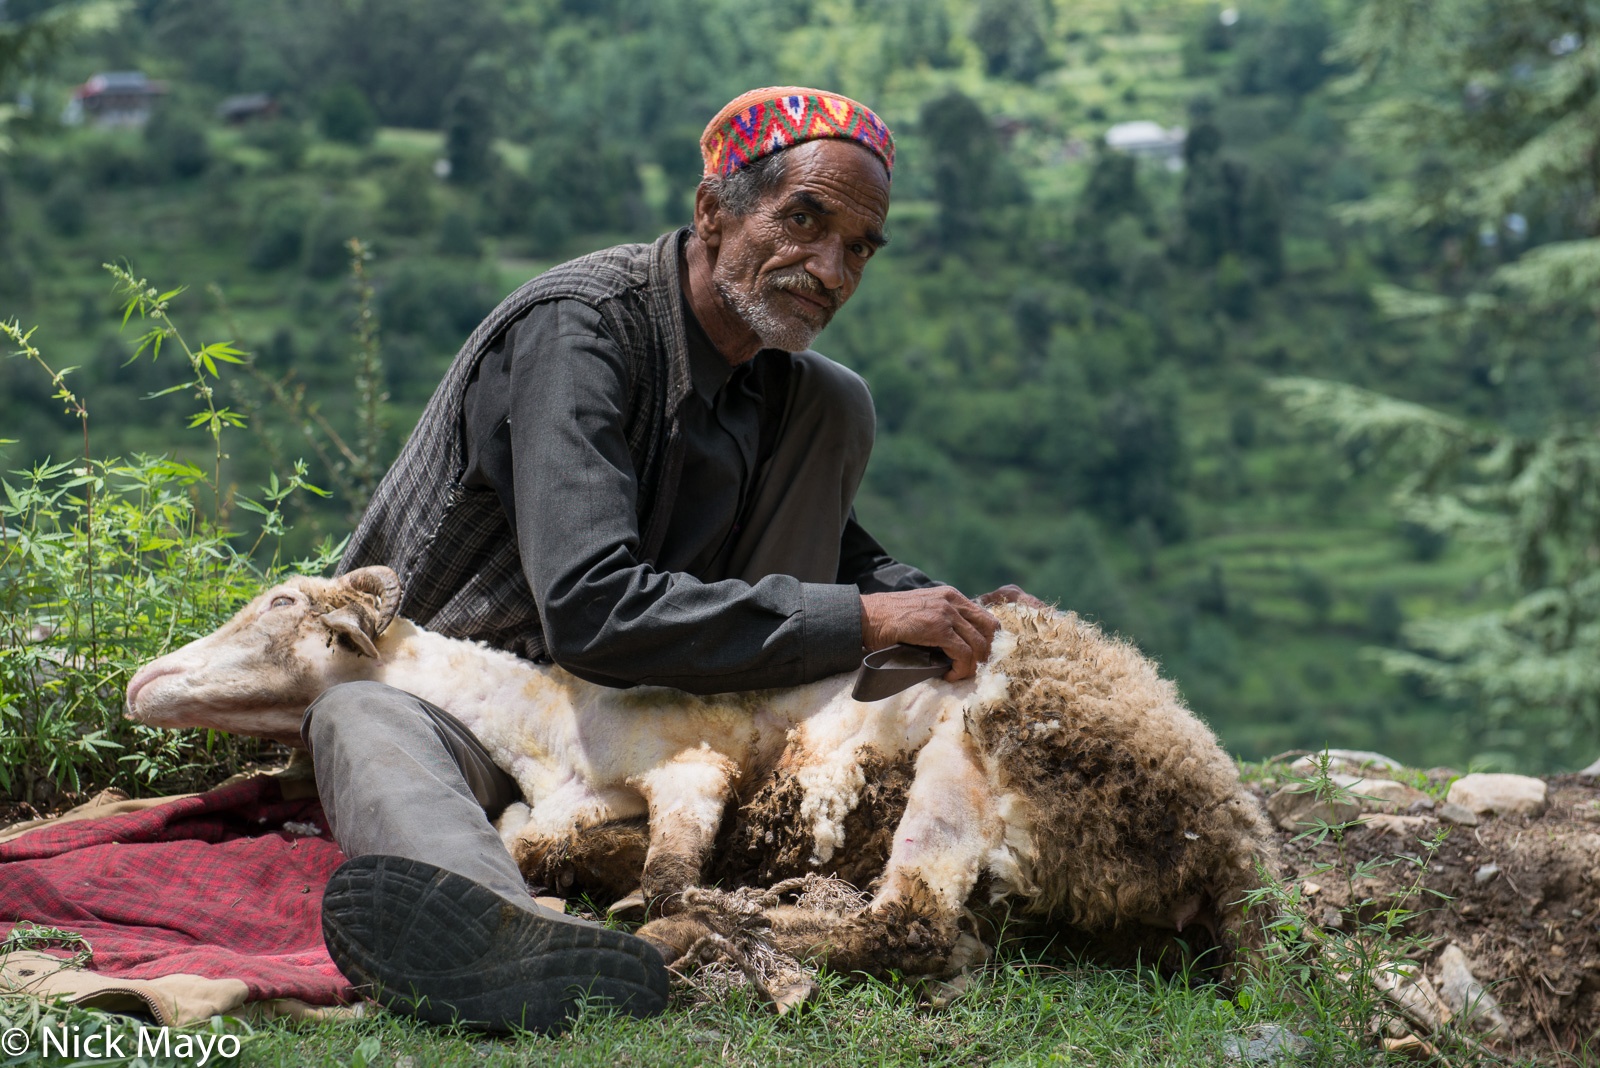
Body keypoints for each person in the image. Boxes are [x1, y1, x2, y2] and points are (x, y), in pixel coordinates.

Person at [309, 86, 1040, 1032]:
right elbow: (591, 610)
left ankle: (719, 822)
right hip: (483, 703)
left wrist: (937, 605)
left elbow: (844, 563)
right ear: (713, 212)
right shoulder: (582, 331)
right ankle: (493, 935)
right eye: (805, 221)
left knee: (838, 398)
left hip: (664, 729)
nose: (829, 268)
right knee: (359, 714)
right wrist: (865, 622)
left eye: (858, 247)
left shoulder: (780, 390)